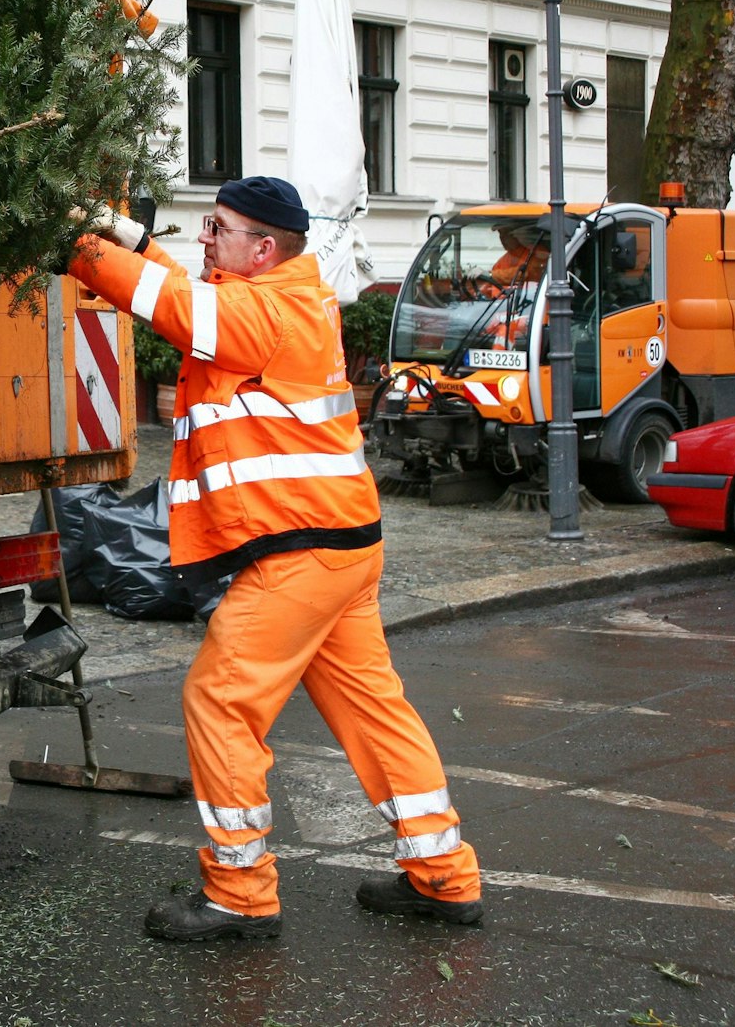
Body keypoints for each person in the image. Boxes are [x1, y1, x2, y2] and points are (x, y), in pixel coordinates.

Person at [67, 175, 484, 941]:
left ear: (262, 247)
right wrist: (135, 243)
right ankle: (445, 875)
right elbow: (200, 295)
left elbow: (185, 309)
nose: (206, 237)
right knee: (375, 713)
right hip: (341, 547)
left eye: (219, 228)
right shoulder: (286, 295)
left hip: (301, 556)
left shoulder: (262, 310)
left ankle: (239, 893)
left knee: (220, 701)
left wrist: (79, 248)